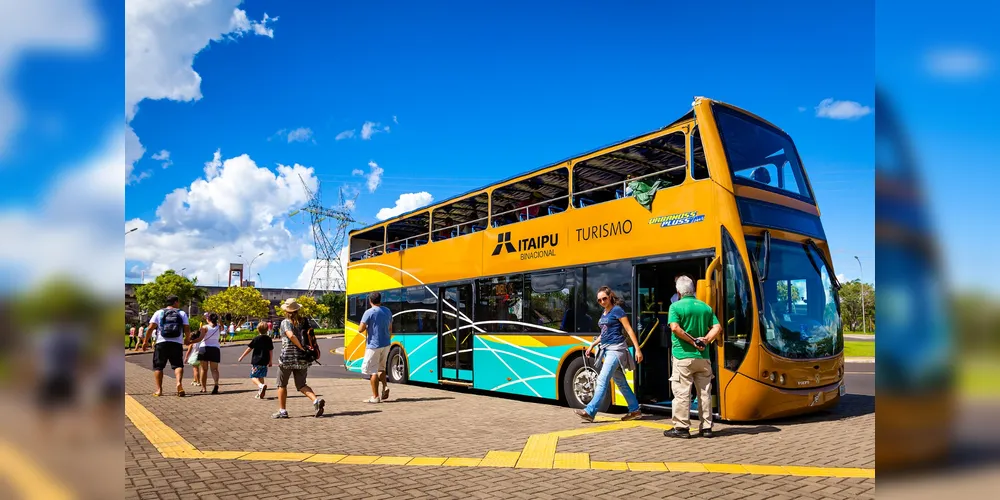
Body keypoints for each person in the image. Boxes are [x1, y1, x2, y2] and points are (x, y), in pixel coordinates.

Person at [663, 276, 722, 439]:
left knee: (682, 393)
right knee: (705, 393)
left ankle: (681, 428)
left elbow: (675, 328)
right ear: (693, 289)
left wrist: (692, 341)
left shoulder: (675, 306)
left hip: (683, 357)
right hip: (703, 358)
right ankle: (707, 428)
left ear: (678, 291)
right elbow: (717, 327)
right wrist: (706, 340)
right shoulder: (705, 307)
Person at [574, 286, 643, 422]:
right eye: (599, 300)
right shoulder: (604, 313)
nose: (602, 302)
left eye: (604, 298)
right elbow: (603, 334)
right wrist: (592, 345)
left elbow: (629, 330)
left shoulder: (617, 310)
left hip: (616, 350)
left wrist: (638, 349)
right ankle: (635, 410)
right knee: (621, 382)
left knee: (602, 380)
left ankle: (590, 411)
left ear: (610, 297)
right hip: (607, 350)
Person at [272, 298, 325, 418]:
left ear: (286, 311)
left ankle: (282, 411)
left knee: (282, 385)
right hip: (303, 358)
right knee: (301, 384)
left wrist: (300, 346)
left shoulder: (285, 322)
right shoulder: (304, 321)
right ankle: (316, 401)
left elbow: (291, 335)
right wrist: (303, 349)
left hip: (287, 358)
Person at [141, 295, 191, 397]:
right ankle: (178, 383)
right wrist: (187, 339)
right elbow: (187, 328)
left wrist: (145, 341)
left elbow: (150, 328)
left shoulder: (159, 312)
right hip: (177, 343)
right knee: (178, 365)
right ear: (175, 302)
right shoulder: (182, 313)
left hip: (161, 342)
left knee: (158, 366)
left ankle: (159, 390)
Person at [358, 291, 392, 403]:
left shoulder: (369, 312)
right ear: (380, 300)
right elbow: (390, 328)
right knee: (381, 368)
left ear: (370, 301)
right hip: (386, 343)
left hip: (374, 345)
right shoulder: (387, 311)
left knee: (372, 371)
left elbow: (360, 329)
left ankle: (375, 397)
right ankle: (385, 386)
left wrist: (367, 325)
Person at [238, 323, 274, 399]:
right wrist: (270, 361)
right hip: (265, 361)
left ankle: (261, 386)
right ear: (267, 329)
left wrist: (242, 357)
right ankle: (259, 392)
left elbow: (249, 349)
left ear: (258, 329)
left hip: (256, 361)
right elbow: (270, 350)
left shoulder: (256, 339)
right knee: (261, 376)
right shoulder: (268, 339)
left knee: (253, 376)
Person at [197, 313, 224, 394]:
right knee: (214, 369)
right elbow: (222, 327)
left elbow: (200, 338)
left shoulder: (205, 327)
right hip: (215, 349)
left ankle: (204, 388)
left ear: (208, 319)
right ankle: (216, 384)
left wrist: (191, 341)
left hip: (204, 348)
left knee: (204, 369)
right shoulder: (219, 327)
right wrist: (219, 319)